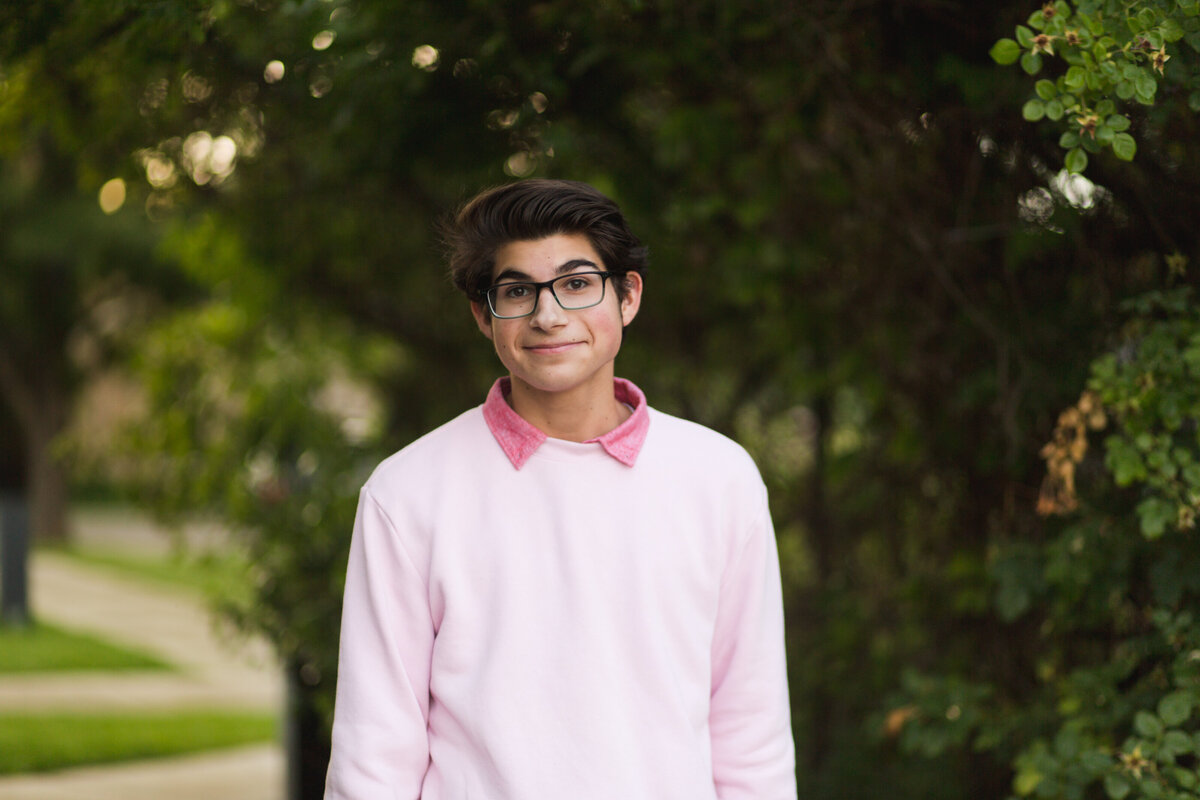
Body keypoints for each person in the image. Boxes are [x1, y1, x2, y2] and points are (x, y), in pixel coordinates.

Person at [324, 179, 796, 800]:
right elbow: (375, 750)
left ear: (627, 296)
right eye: (517, 291)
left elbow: (750, 733)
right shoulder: (408, 493)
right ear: (482, 314)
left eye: (577, 284)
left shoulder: (718, 478)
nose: (548, 316)